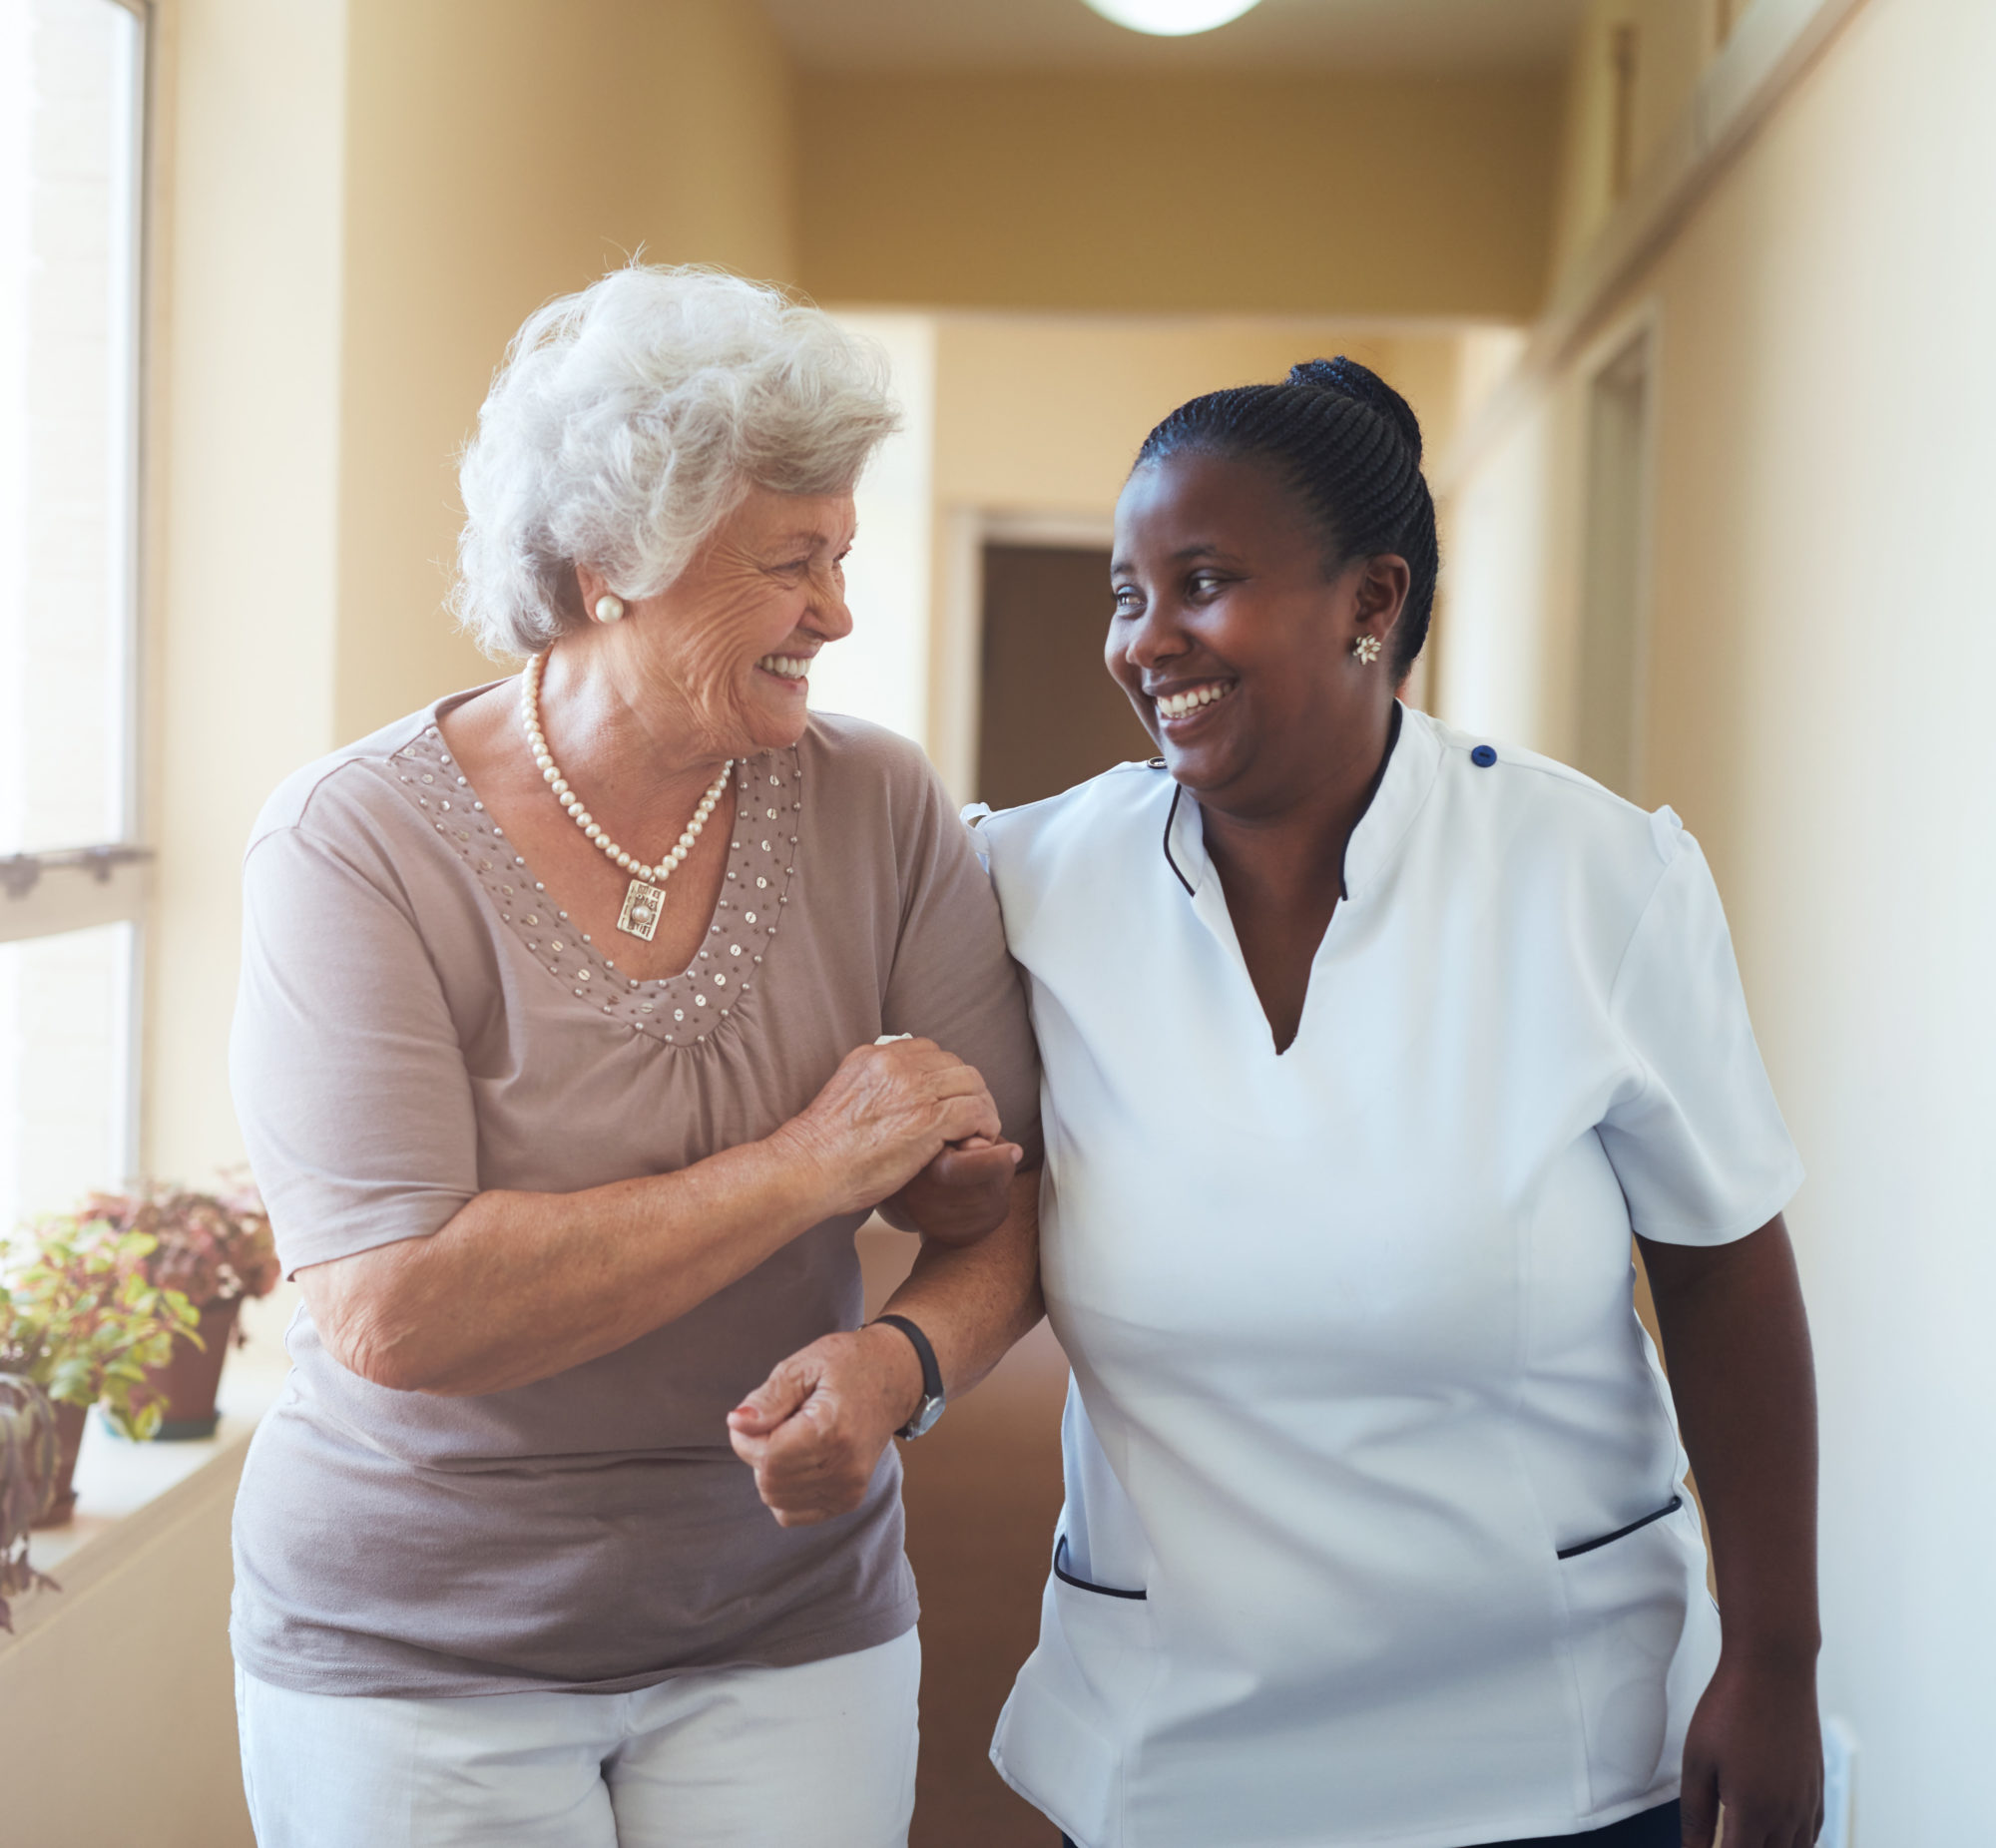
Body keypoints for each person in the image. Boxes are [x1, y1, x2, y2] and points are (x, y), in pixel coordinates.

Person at [742, 358, 1822, 1848]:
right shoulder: (1029, 881)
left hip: (1555, 1741)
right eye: (1128, 593)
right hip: (1174, 1745)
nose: (1146, 640)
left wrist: (1775, 1658)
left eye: (1204, 582)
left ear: (1372, 602)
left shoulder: (1593, 880)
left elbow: (1723, 1274)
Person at [226, 265, 1043, 1848]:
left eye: (846, 556)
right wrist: (813, 1166)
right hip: (416, 1652)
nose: (840, 613)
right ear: (611, 564)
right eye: (792, 563)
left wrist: (902, 1358)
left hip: (790, 1618)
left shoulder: (879, 804)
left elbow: (1000, 1207)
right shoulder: (354, 843)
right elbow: (398, 1308)